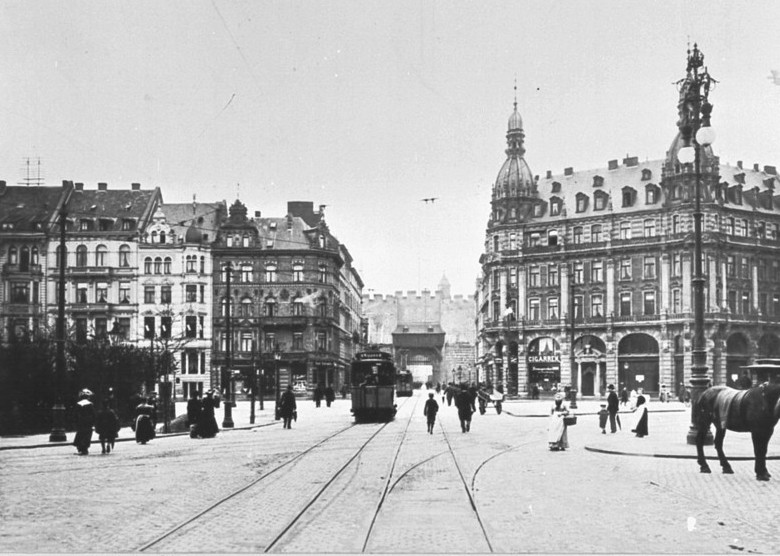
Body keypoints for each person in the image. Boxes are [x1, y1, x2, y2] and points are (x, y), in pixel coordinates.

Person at [73, 389, 96, 455]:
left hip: (80, 423)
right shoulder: (90, 404)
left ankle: (80, 448)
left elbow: (75, 414)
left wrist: (76, 422)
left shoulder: (78, 404)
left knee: (80, 434)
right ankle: (85, 448)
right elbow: (93, 414)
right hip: (88, 423)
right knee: (87, 436)